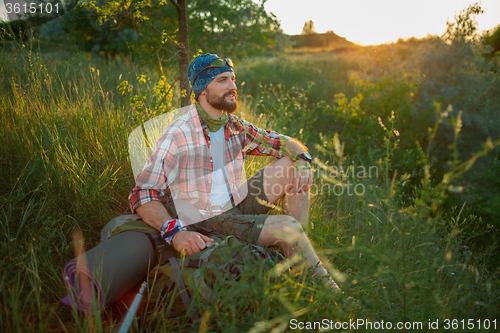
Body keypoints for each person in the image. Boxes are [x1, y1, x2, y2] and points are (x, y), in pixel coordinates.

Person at [128, 53, 339, 291]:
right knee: (288, 228)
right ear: (203, 90)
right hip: (207, 219)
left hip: (232, 202)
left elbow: (282, 142)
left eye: (233, 79)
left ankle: (298, 261)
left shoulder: (233, 125)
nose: (233, 86)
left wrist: (302, 159)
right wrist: (175, 233)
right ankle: (330, 297)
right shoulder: (179, 134)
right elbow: (143, 193)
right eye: (222, 80)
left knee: (293, 166)